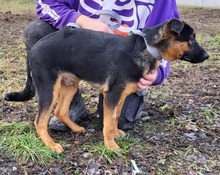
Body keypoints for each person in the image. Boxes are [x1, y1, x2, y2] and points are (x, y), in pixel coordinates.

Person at [24, 0, 179, 131]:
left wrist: (157, 72)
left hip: (128, 62)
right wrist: (81, 19)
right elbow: (47, 3)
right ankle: (70, 106)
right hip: (81, 49)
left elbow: (170, 37)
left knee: (121, 122)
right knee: (37, 31)